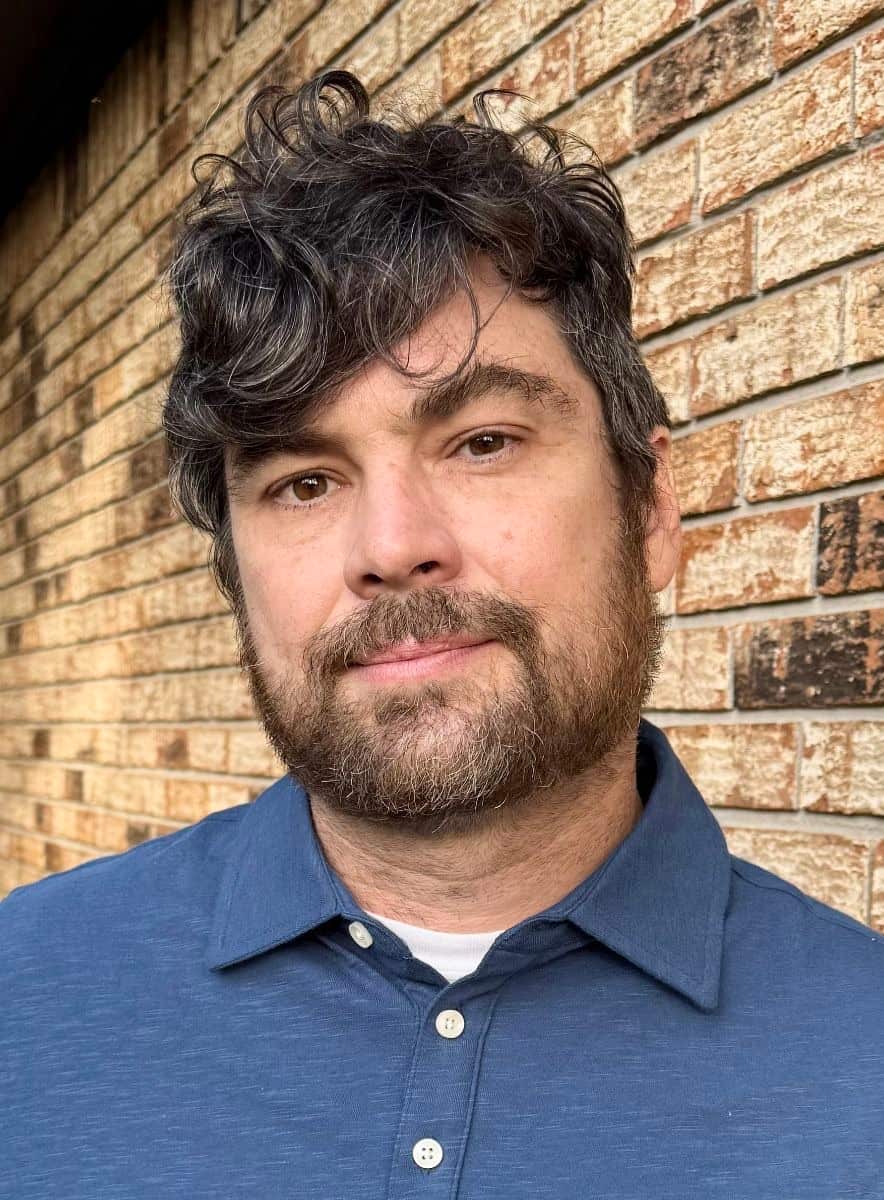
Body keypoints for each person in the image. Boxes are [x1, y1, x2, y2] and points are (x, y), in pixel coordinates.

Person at [2, 71, 882, 1198]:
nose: (392, 544)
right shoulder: (26, 995)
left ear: (650, 510)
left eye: (480, 442)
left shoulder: (860, 1065)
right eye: (304, 480)